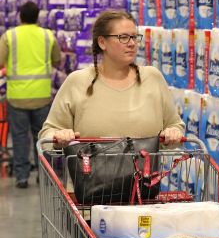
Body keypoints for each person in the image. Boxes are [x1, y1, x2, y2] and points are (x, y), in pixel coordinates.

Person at [39, 10, 184, 153]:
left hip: (146, 176)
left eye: (134, 37)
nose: (132, 43)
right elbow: (47, 133)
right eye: (124, 37)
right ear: (102, 42)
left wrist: (173, 133)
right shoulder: (77, 81)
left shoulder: (153, 78)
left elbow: (175, 125)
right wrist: (59, 137)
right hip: (91, 176)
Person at [0, 2, 61, 188]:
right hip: (42, 96)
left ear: (20, 17)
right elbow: (57, 61)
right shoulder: (48, 35)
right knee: (41, 137)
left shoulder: (9, 36)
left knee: (19, 137)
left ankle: (22, 176)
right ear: (38, 17)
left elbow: (0, 61)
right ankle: (43, 176)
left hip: (17, 96)